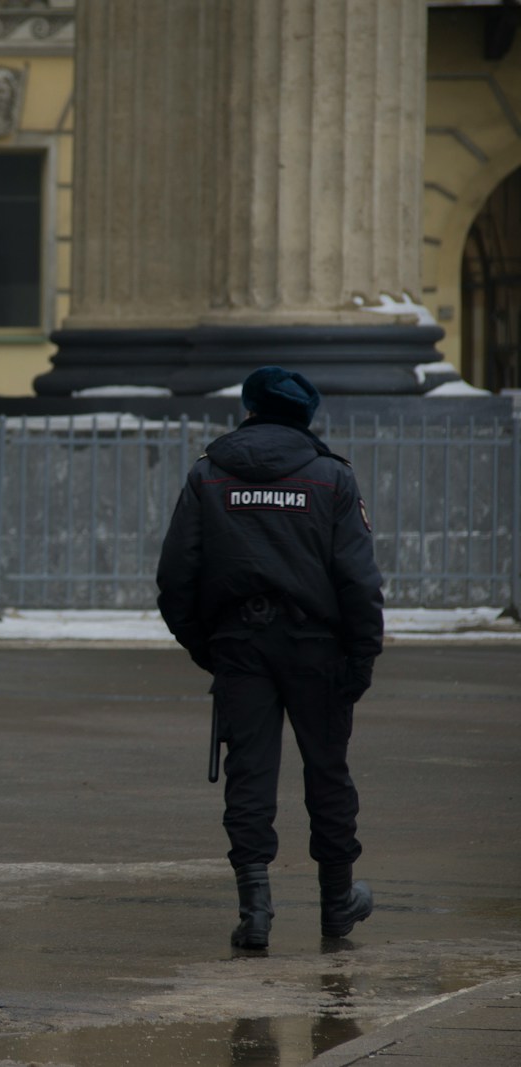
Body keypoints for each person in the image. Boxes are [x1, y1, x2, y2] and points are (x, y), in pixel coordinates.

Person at [156, 366, 383, 950]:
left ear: (249, 409)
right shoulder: (332, 478)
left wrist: (210, 647)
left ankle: (253, 910)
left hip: (240, 644)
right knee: (327, 771)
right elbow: (358, 580)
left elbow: (176, 577)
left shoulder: (208, 474)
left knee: (249, 775)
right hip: (318, 647)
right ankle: (337, 903)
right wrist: (362, 657)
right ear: (306, 417)